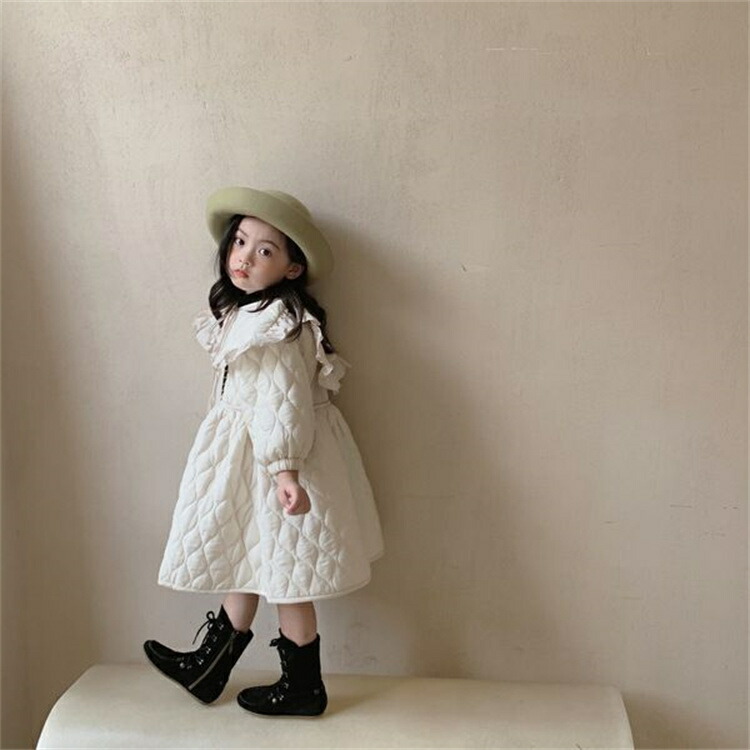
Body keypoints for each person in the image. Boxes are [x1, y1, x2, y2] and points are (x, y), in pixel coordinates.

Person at [143, 186, 384, 717]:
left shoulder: (277, 324)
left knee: (287, 574)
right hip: (255, 459)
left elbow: (283, 402)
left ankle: (302, 686)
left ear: (292, 268)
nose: (245, 257)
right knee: (250, 558)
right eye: (240, 242)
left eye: (265, 250)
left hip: (277, 461)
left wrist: (285, 470)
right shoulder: (251, 314)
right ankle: (210, 667)